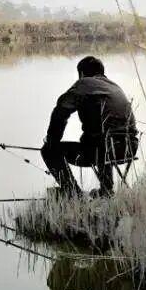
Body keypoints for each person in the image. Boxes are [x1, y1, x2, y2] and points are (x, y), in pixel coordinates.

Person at [41, 56, 138, 196]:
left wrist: (52, 140)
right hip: (129, 147)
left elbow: (61, 111)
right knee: (102, 138)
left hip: (101, 150)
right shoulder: (114, 86)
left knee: (49, 151)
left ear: (81, 74)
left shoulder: (84, 83)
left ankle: (73, 195)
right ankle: (106, 191)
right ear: (102, 72)